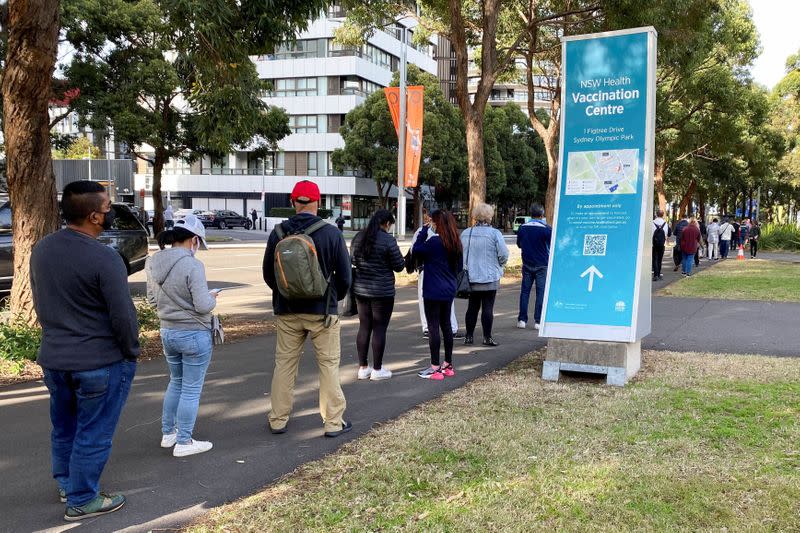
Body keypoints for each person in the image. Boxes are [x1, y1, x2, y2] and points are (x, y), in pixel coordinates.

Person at [30, 181, 139, 521]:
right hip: (99, 361)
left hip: (55, 357)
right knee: (94, 431)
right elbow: (123, 315)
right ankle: (82, 499)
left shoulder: (42, 249)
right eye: (108, 208)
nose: (110, 213)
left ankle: (67, 483)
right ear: (94, 215)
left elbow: (39, 299)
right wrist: (131, 350)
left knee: (64, 427)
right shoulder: (104, 258)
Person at [263, 180, 353, 437]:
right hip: (322, 311)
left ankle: (278, 419)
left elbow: (269, 274)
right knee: (328, 365)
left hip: (287, 310)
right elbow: (345, 276)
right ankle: (333, 422)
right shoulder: (331, 233)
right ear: (318, 202)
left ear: (293, 203)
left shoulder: (278, 233)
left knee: (284, 365)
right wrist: (335, 297)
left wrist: (285, 294)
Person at [146, 215, 218, 457]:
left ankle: (169, 434)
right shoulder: (192, 265)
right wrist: (213, 296)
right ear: (194, 240)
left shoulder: (153, 262)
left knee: (175, 382)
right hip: (194, 333)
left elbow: (152, 300)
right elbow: (203, 305)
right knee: (191, 389)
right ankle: (185, 442)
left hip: (167, 331)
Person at [350, 210, 405, 380]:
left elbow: (352, 260)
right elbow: (399, 266)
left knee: (364, 327)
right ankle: (377, 369)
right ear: (386, 223)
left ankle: (363, 368)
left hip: (361, 290)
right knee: (379, 328)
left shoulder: (359, 237)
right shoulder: (388, 240)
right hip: (382, 292)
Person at [413, 209, 462, 380]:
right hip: (449, 289)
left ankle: (434, 367)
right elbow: (459, 268)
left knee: (433, 327)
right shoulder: (456, 243)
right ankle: (448, 364)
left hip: (433, 289)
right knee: (446, 325)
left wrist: (424, 231)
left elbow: (416, 250)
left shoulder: (434, 242)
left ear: (436, 223)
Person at [460, 203, 508, 346]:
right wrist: (500, 264)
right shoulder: (495, 234)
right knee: (488, 307)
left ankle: (469, 336)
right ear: (489, 217)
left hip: (471, 276)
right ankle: (487, 337)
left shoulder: (466, 232)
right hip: (490, 276)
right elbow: (503, 254)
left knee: (472, 307)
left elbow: (460, 253)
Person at [516, 204, 552, 330]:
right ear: (542, 215)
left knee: (525, 292)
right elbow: (551, 245)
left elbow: (519, 244)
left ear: (530, 214)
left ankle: (522, 320)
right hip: (542, 264)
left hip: (527, 263)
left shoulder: (522, 228)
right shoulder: (546, 229)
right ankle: (538, 321)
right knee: (540, 292)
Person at [652, 209, 669, 280]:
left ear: (656, 214)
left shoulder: (652, 222)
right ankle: (659, 274)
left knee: (654, 259)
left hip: (654, 244)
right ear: (662, 215)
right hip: (662, 244)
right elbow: (667, 234)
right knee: (660, 259)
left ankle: (655, 275)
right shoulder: (665, 223)